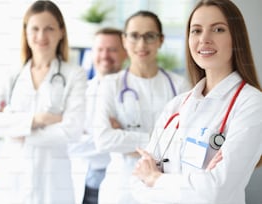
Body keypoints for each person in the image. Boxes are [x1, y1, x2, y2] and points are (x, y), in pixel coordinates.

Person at [131, 1, 262, 204]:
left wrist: (155, 178)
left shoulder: (252, 104)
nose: (204, 39)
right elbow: (137, 185)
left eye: (218, 29)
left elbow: (215, 192)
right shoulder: (175, 106)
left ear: (236, 38)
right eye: (196, 31)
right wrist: (195, 185)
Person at [0, 1, 86, 203]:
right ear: (26, 32)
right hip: (11, 182)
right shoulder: (11, 74)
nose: (41, 36)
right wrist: (38, 120)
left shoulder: (74, 75)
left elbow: (72, 129)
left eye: (49, 28)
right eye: (35, 28)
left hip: (53, 183)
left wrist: (16, 131)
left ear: (61, 32)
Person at [93, 11, 191, 204]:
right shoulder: (110, 84)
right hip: (120, 191)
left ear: (160, 40)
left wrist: (124, 137)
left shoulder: (180, 87)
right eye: (134, 35)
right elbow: (103, 140)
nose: (141, 44)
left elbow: (185, 143)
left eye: (150, 36)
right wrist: (162, 141)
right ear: (124, 39)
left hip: (164, 190)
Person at [68, 27, 127, 204]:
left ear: (125, 52)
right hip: (80, 179)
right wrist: (114, 136)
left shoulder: (133, 94)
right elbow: (68, 143)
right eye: (100, 49)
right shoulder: (79, 92)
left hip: (120, 180)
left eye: (113, 49)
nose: (105, 55)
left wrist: (90, 136)